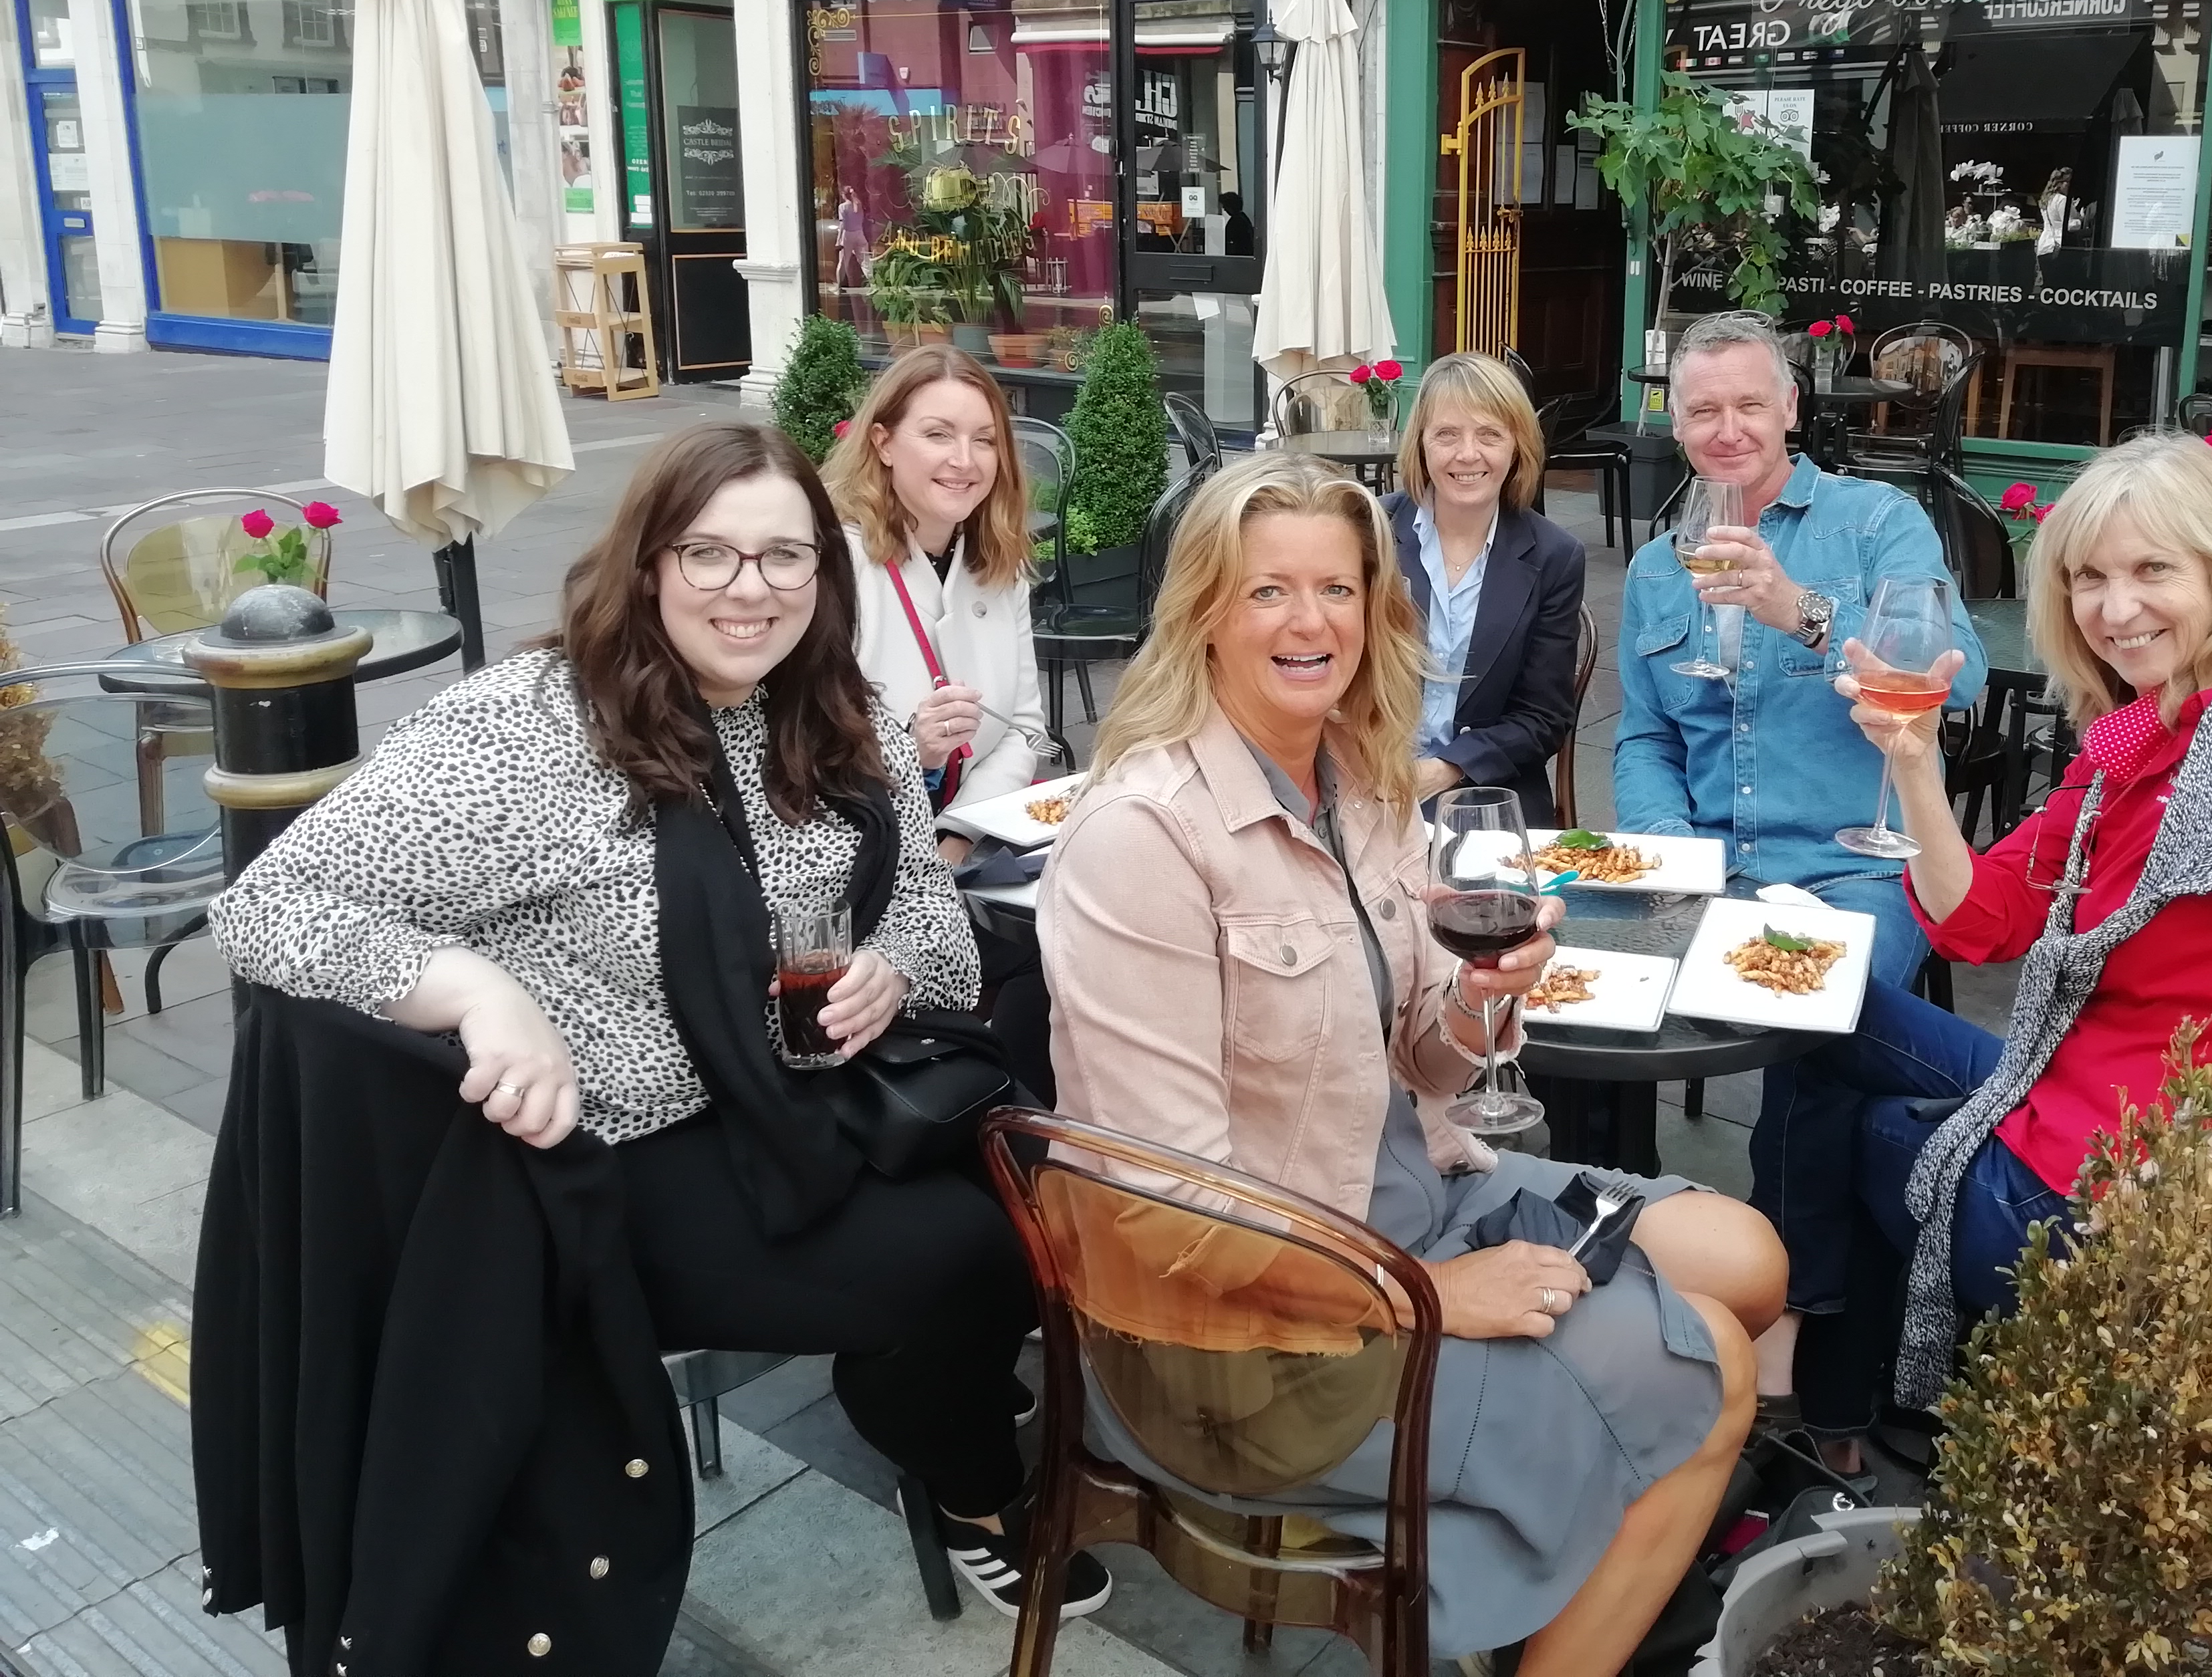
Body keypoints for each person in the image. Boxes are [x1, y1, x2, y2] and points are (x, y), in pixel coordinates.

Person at [206, 423, 1110, 1621]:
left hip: (812, 1099)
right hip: (619, 1158)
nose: (752, 589)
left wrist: (890, 967)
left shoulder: (839, 710)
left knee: (1039, 1184)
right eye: (710, 554)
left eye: (785, 557)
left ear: (824, 572)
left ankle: (948, 1381)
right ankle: (971, 1484)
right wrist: (478, 993)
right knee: (962, 1254)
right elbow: (267, 906)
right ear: (647, 565)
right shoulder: (531, 733)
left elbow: (934, 927)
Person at [1040, 455, 1786, 1676]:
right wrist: (1428, 1299)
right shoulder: (1143, 840)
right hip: (1250, 1342)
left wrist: (1484, 1003)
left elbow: (1421, 1069)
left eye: (1337, 588)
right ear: (1205, 613)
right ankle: (1571, 1557)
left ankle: (1570, 1529)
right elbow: (1174, 1212)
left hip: (1411, 1196)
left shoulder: (1361, 780)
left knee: (1749, 1260)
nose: (1310, 621)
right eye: (1269, 590)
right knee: (1714, 1369)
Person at [1773, 432, 2212, 1469]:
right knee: (1812, 1002)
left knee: (1867, 1128)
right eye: (2089, 578)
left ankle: (1832, 1396)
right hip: (2063, 1082)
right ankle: (1845, 1401)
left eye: (2154, 570)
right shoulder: (2144, 738)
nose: (2116, 610)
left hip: (2114, 1189)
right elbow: (1983, 923)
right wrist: (1916, 766)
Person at [1613, 308, 1988, 975]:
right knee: (1586, 993)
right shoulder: (1655, 569)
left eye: (1750, 406)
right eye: (1704, 411)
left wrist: (1798, 610)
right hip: (1708, 870)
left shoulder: (1877, 522)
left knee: (1805, 1008)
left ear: (1789, 407)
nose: (1729, 431)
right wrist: (1668, 848)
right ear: (1676, 424)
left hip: (1855, 871)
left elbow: (1957, 679)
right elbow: (1647, 739)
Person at [827, 345, 1059, 1098]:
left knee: (1070, 953)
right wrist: (908, 749)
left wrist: (956, 835)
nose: (965, 460)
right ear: (883, 442)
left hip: (968, 851)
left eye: (984, 439)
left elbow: (1025, 728)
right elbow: (793, 749)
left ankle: (1018, 1126)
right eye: (938, 434)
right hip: (856, 871)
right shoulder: (830, 565)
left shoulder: (1000, 561)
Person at [1383, 352, 1590, 825]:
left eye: (1490, 435)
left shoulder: (1555, 557)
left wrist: (1446, 769)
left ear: (1517, 446)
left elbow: (1543, 718)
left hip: (1487, 790)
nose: (1467, 454)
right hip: (1366, 780)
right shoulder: (1368, 531)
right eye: (1447, 434)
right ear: (1420, 443)